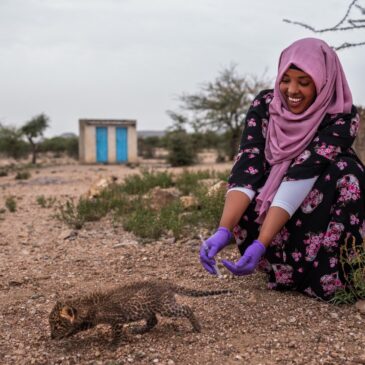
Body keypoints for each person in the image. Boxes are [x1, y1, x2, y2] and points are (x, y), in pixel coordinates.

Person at [200, 37, 365, 301]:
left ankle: (333, 272)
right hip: (271, 213)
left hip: (309, 210)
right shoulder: (265, 105)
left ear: (323, 82)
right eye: (285, 79)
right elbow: (248, 163)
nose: (292, 90)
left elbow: (302, 173)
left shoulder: (341, 117)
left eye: (304, 81)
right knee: (254, 178)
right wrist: (223, 229)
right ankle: (274, 262)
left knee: (347, 173)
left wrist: (261, 243)